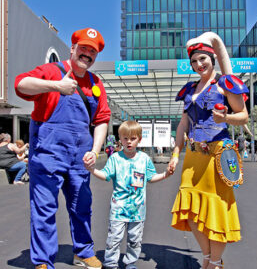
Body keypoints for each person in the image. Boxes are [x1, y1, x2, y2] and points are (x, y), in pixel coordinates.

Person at [14, 27, 111, 269]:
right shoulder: (51, 71)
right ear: (73, 48)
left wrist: (96, 149)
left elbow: (102, 120)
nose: (87, 53)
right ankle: (43, 260)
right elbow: (21, 84)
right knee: (44, 208)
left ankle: (83, 252)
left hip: (80, 158)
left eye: (93, 51)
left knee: (82, 206)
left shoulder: (95, 83)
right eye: (83, 48)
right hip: (48, 154)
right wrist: (56, 86)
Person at [168, 32, 249, 269]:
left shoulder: (226, 84)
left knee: (216, 211)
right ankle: (208, 257)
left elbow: (243, 116)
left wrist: (226, 117)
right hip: (192, 156)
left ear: (212, 59)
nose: (198, 64)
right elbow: (183, 124)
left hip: (217, 153)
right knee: (190, 211)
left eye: (202, 58)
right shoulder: (189, 88)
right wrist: (175, 153)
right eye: (194, 61)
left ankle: (213, 263)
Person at [84, 121, 170, 269]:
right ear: (120, 139)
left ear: (139, 139)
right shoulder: (115, 159)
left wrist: (165, 175)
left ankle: (130, 263)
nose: (128, 142)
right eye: (125, 138)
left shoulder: (144, 159)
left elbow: (151, 177)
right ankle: (111, 264)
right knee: (114, 239)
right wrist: (92, 170)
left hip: (138, 210)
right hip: (118, 209)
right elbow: (105, 175)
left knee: (135, 240)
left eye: (133, 138)